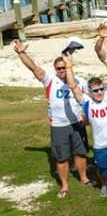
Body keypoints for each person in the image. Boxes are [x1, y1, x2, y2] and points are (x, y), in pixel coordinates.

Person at [14, 40, 92, 199]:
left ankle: (84, 178)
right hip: (58, 125)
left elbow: (89, 102)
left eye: (64, 67)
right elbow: (34, 68)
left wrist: (87, 118)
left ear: (69, 66)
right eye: (59, 69)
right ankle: (64, 185)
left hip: (77, 123)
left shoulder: (80, 81)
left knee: (81, 153)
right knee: (61, 157)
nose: (62, 70)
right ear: (55, 70)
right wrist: (22, 53)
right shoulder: (50, 80)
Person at [64, 47, 107, 216]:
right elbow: (73, 86)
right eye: (95, 91)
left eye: (101, 89)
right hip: (100, 146)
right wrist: (69, 67)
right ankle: (105, 184)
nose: (99, 93)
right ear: (90, 92)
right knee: (103, 171)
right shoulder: (87, 102)